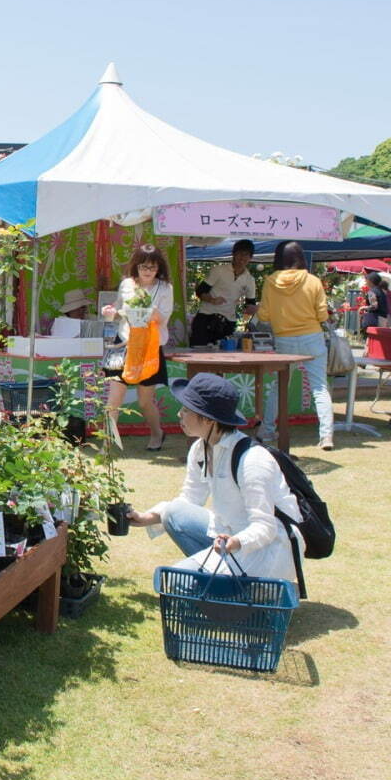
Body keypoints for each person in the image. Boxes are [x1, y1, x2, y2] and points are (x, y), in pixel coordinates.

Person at [123, 373, 303, 583]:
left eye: (186, 410)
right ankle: (218, 582)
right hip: (228, 535)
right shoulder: (201, 448)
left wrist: (236, 541)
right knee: (173, 513)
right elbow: (189, 500)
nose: (180, 414)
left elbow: (266, 527)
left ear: (208, 419)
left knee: (171, 582)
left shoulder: (252, 460)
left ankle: (242, 589)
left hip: (265, 552)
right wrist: (146, 518)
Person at [256, 241, 334, 451]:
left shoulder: (270, 282)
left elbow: (263, 315)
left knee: (279, 387)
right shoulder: (313, 281)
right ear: (300, 258)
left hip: (283, 340)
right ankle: (326, 436)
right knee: (319, 387)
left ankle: (267, 430)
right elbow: (322, 314)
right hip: (312, 337)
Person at [100, 244, 175, 452]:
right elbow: (116, 308)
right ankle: (106, 445)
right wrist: (111, 311)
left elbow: (162, 319)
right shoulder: (126, 284)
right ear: (136, 267)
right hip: (122, 343)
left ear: (158, 268)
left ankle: (157, 432)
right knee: (113, 398)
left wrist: (145, 307)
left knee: (145, 402)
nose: (147, 271)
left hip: (149, 347)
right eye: (143, 267)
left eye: (152, 267)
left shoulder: (165, 288)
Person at [190, 239, 258, 345]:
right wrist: (212, 300)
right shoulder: (218, 270)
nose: (242, 258)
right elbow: (200, 291)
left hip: (228, 321)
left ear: (251, 257)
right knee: (198, 352)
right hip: (206, 317)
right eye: (239, 254)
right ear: (233, 254)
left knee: (223, 355)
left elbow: (250, 304)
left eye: (246, 255)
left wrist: (253, 309)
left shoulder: (250, 280)